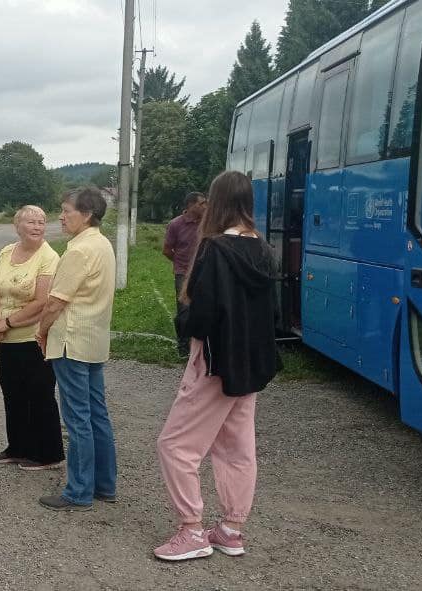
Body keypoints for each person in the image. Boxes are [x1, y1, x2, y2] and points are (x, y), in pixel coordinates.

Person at [153, 171, 281, 561]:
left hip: (214, 361)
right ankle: (231, 529)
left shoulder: (214, 249)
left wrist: (183, 322)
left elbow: (202, 316)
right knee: (236, 446)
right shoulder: (265, 249)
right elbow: (274, 313)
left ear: (217, 201)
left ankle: (191, 530)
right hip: (251, 363)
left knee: (175, 445)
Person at [35, 188, 118, 511]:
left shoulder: (79, 251)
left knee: (77, 418)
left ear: (87, 214)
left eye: (66, 211)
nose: (61, 216)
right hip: (94, 339)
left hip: (71, 341)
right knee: (97, 414)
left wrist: (41, 331)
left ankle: (79, 491)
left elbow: (56, 302)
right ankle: (104, 484)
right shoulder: (102, 244)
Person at [0, 205, 64, 471]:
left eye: (41, 222)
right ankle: (17, 447)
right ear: (17, 225)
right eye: (31, 222)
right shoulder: (6, 252)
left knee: (39, 395)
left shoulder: (48, 257)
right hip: (7, 339)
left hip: (34, 338)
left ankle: (49, 454)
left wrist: (7, 322)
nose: (37, 227)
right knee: (12, 393)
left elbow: (42, 302)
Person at [164, 192, 207, 357]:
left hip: (203, 271)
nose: (205, 207)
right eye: (201, 203)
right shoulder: (175, 224)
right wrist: (180, 263)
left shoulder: (207, 223)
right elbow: (167, 250)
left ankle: (200, 346)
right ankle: (183, 346)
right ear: (190, 205)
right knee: (184, 310)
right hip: (183, 273)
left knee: (202, 307)